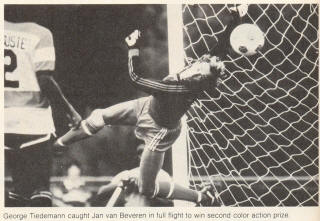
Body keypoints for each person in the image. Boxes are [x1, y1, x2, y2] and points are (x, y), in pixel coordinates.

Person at [4, 20, 81, 207]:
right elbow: (44, 79)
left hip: (5, 120)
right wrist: (69, 111)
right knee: (40, 189)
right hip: (33, 120)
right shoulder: (40, 33)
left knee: (19, 188)